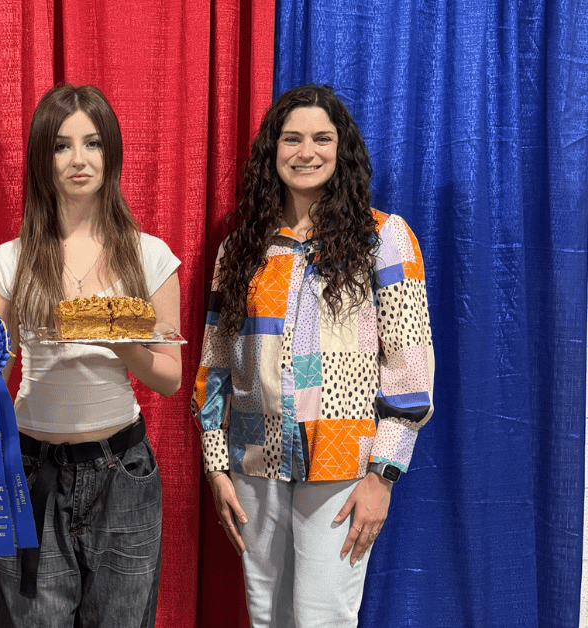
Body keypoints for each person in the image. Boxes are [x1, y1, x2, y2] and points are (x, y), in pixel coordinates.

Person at [0, 84, 182, 628]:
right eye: (62, 146)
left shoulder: (149, 254)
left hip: (124, 473)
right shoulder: (9, 260)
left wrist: (119, 338)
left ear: (110, 152)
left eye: (92, 143)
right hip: (29, 469)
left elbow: (169, 379)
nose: (79, 159)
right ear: (44, 158)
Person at [192, 84, 435, 627]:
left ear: (340, 149)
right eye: (292, 138)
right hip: (255, 460)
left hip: (343, 464)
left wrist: (383, 477)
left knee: (323, 619)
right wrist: (216, 465)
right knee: (266, 617)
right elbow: (216, 362)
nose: (306, 152)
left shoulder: (384, 239)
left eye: (322, 139)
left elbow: (409, 367)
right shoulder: (242, 247)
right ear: (272, 151)